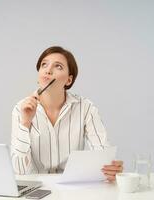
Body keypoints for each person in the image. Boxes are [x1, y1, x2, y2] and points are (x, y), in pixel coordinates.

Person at [11, 46, 123, 182]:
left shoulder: (85, 108)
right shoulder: (20, 109)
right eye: (44, 65)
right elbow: (19, 171)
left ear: (69, 80)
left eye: (58, 66)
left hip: (72, 187)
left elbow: (103, 157)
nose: (48, 70)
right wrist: (25, 122)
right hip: (35, 187)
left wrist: (110, 168)